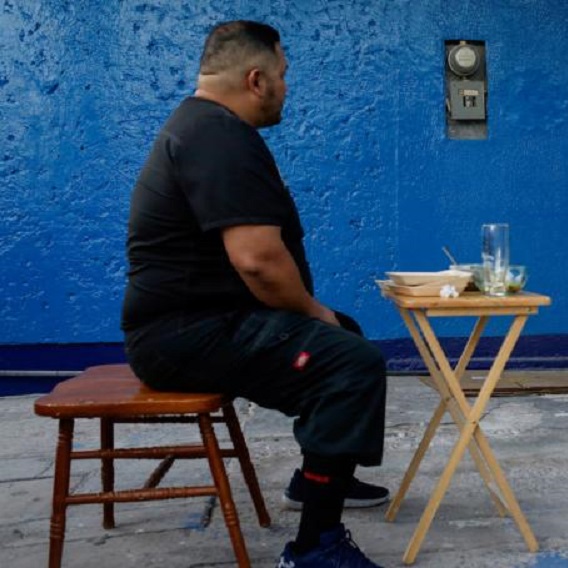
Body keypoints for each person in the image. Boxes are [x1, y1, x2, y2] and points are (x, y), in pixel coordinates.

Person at [121, 21, 385, 567]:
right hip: (184, 336)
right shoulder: (218, 135)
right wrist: (315, 313)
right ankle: (315, 549)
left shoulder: (202, 128)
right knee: (348, 364)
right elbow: (259, 262)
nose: (288, 86)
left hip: (198, 325)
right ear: (257, 78)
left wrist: (323, 316)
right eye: (284, 75)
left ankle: (318, 479)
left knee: (347, 334)